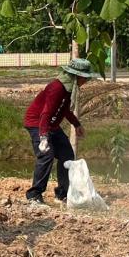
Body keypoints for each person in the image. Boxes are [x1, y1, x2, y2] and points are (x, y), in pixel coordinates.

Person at [23, 58, 100, 204]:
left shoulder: (68, 88)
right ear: (78, 76)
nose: (86, 81)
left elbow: (64, 110)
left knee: (67, 154)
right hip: (37, 123)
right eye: (86, 78)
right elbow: (45, 113)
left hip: (51, 125)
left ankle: (63, 193)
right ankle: (34, 195)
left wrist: (77, 125)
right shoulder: (57, 87)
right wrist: (44, 137)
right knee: (46, 155)